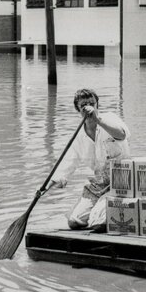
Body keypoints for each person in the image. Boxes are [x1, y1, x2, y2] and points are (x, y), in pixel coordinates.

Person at [49, 88, 130, 230]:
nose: (88, 109)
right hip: (99, 184)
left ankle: (103, 212)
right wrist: (50, 184)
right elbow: (68, 165)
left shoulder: (110, 118)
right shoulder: (78, 136)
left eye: (92, 104)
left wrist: (98, 120)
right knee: (74, 222)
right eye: (83, 106)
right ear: (78, 110)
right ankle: (90, 208)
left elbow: (122, 135)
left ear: (97, 105)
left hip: (122, 182)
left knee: (99, 223)